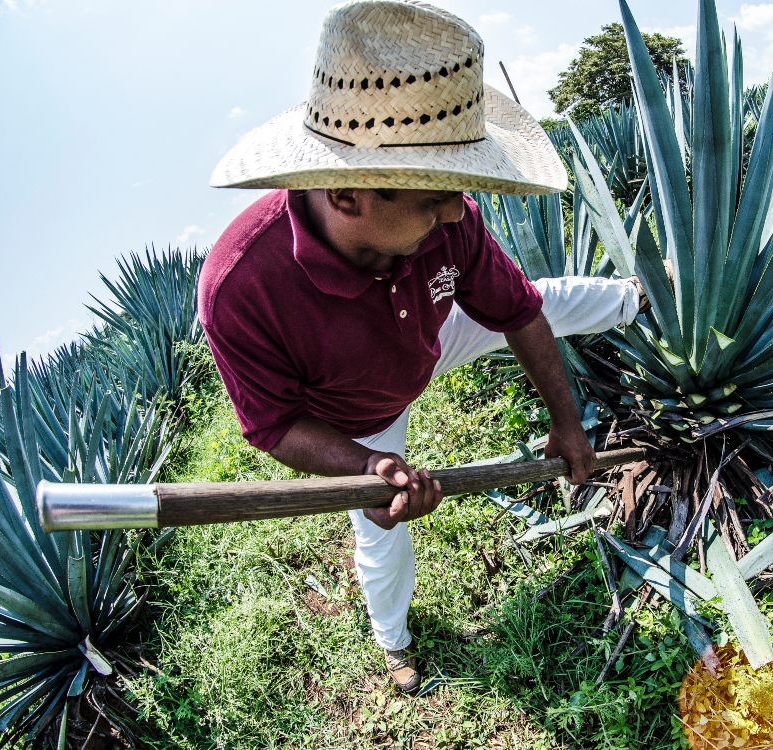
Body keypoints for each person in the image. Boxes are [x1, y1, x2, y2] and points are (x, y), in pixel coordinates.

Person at [199, 0, 639, 693]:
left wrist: (565, 418)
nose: (457, 212)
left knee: (548, 298)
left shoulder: (441, 214)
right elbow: (274, 423)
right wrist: (370, 465)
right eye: (436, 198)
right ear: (348, 197)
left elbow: (517, 310)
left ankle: (639, 297)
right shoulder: (241, 287)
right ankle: (395, 642)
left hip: (431, 335)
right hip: (361, 412)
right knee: (379, 536)